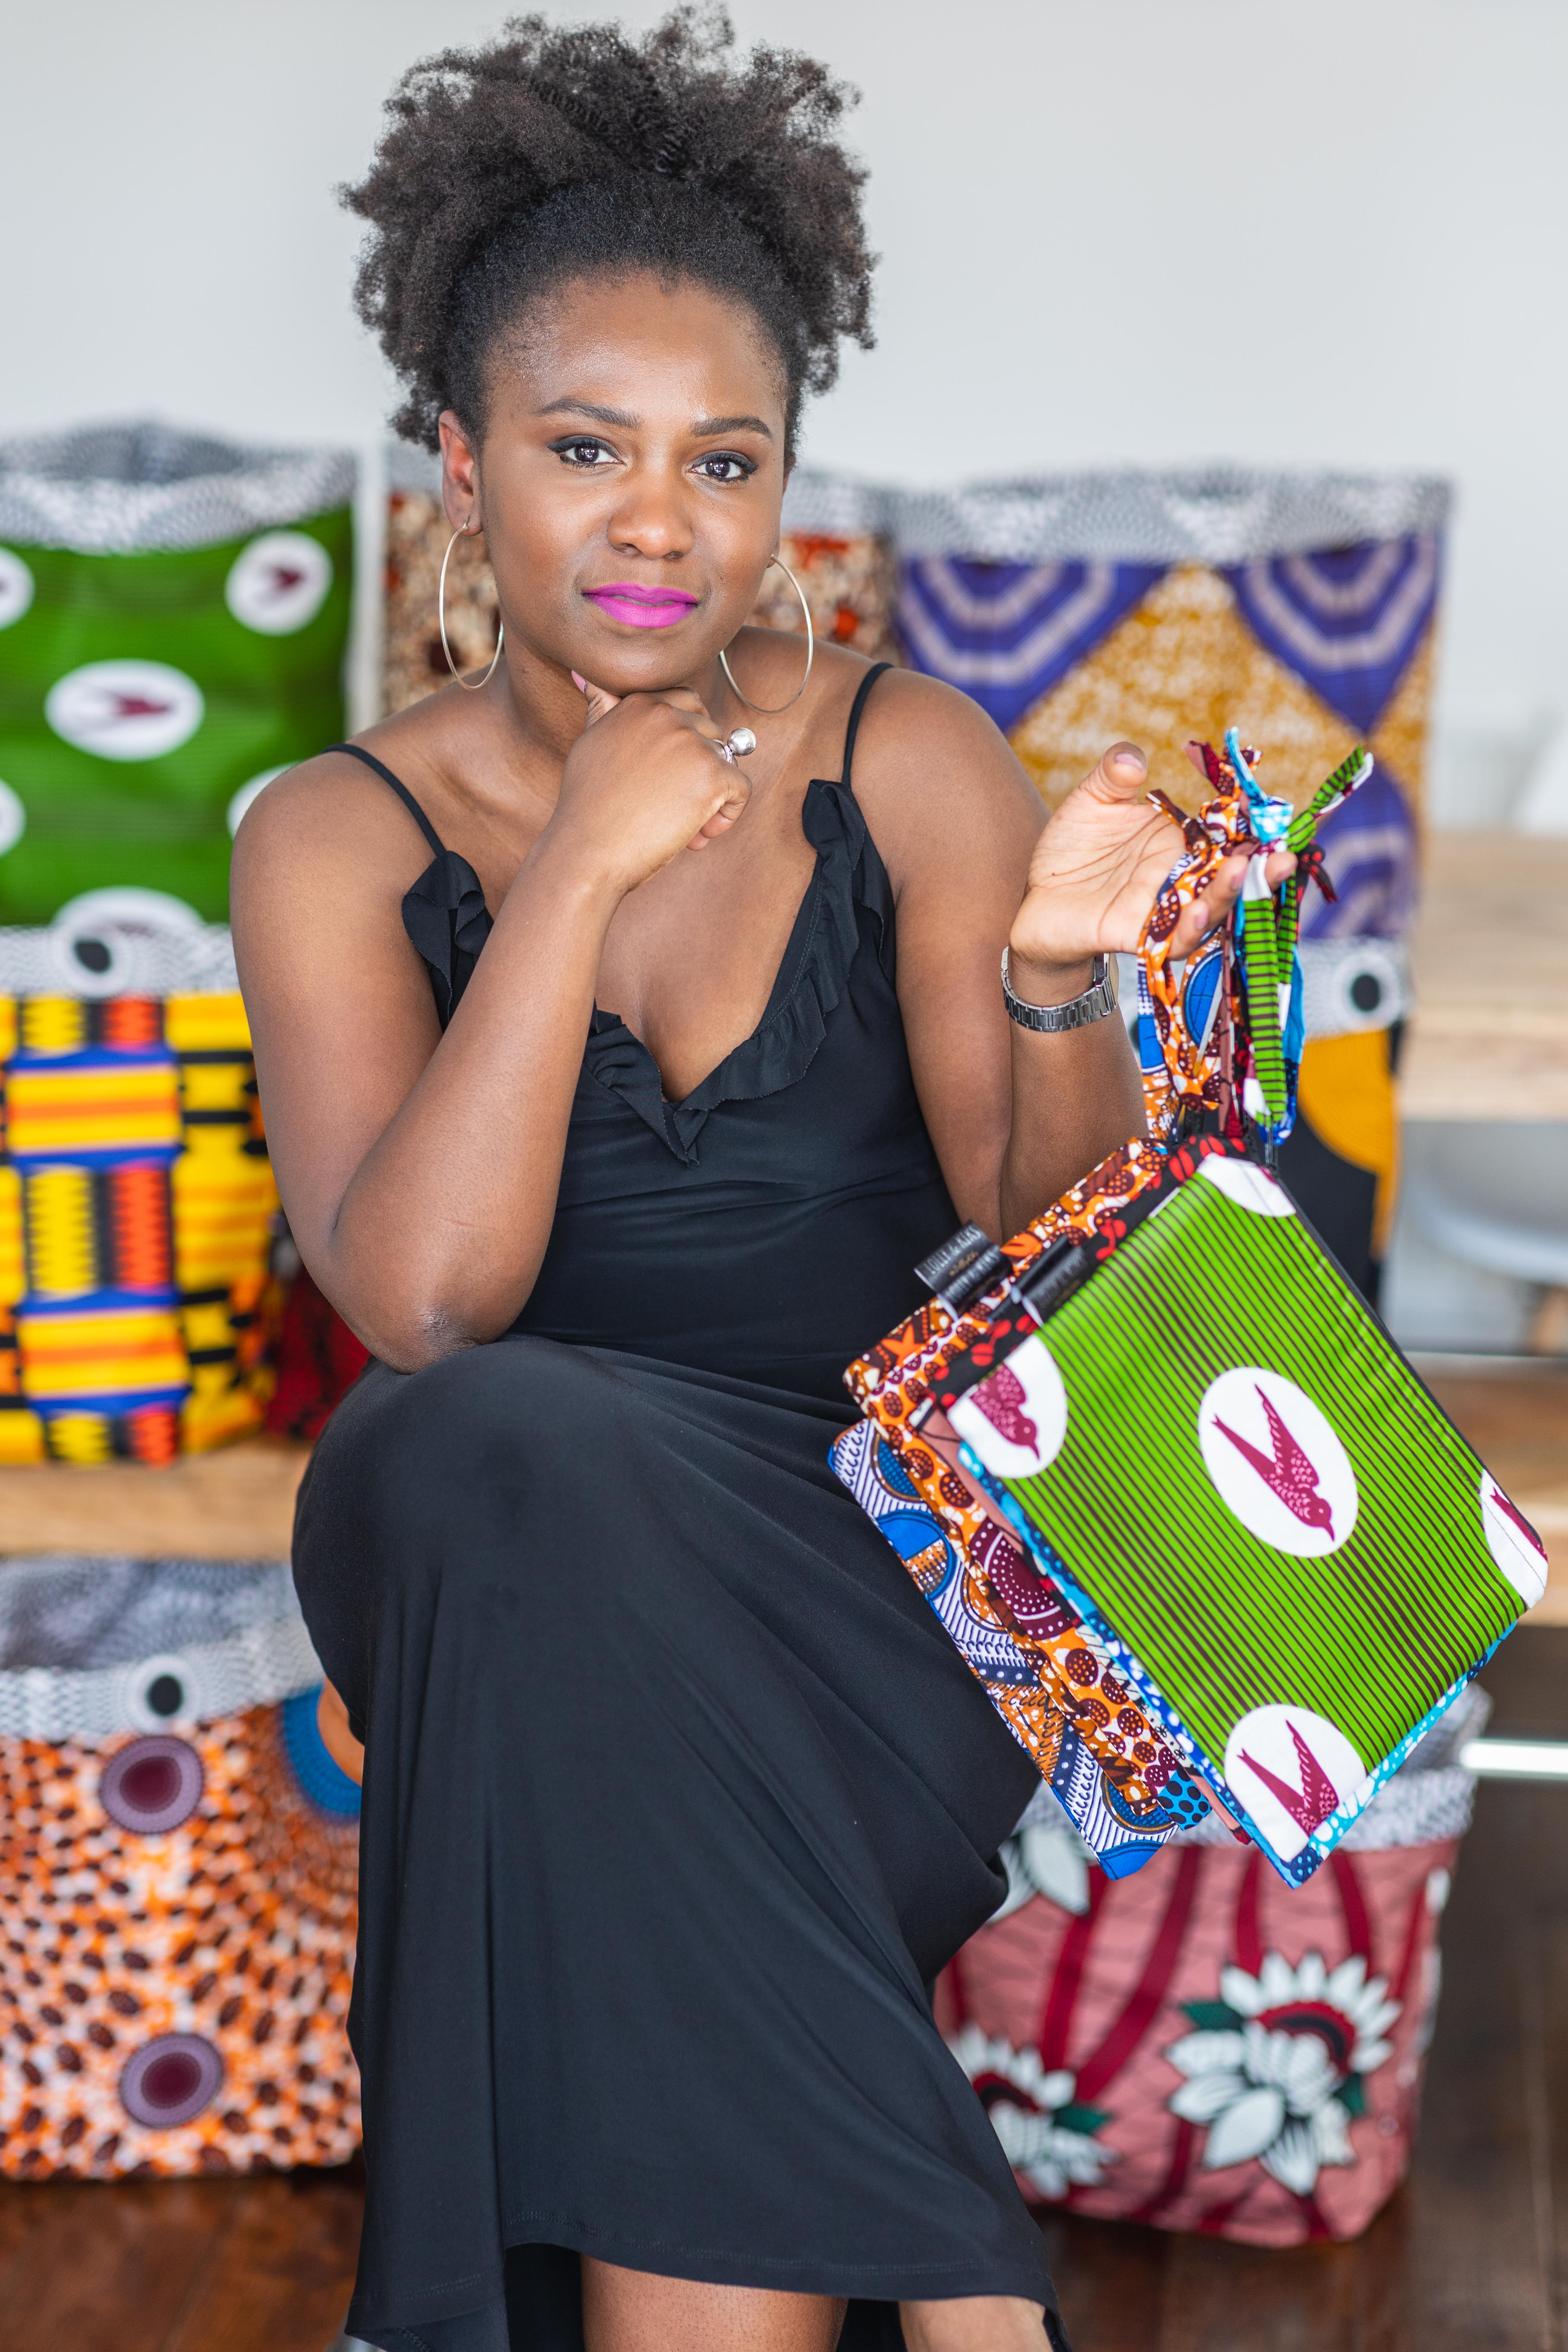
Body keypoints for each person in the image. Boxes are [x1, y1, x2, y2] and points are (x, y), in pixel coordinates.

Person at [232, 17, 1282, 2350]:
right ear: (460, 463)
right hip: (493, 1537)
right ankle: (970, 2300)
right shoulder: (331, 834)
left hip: (885, 1567)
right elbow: (425, 1302)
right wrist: (577, 873)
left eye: (725, 460)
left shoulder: (907, 755)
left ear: (785, 486)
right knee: (493, 1435)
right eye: (583, 447)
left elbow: (1057, 1263)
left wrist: (1055, 983)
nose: (658, 521)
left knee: (629, 1818)